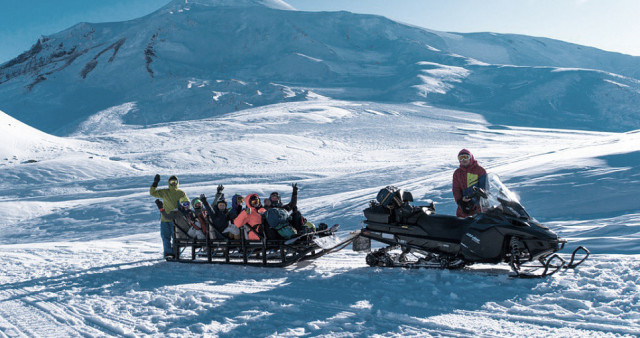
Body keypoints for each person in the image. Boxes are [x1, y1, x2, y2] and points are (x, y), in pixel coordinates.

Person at [150, 174, 188, 258]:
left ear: (177, 182)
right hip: (165, 219)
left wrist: (183, 204)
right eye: (171, 182)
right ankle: (168, 253)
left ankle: (176, 252)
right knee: (165, 237)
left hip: (176, 220)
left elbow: (186, 202)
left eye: (175, 182)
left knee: (176, 237)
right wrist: (155, 183)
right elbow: (152, 193)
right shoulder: (165, 192)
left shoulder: (180, 193)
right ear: (169, 183)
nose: (173, 183)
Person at [452, 149, 487, 218]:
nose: (463, 160)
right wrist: (460, 202)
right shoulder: (457, 173)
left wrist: (477, 198)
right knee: (462, 225)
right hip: (464, 206)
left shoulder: (480, 170)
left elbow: (485, 187)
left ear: (471, 157)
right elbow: (456, 189)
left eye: (466, 157)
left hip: (479, 206)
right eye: (461, 158)